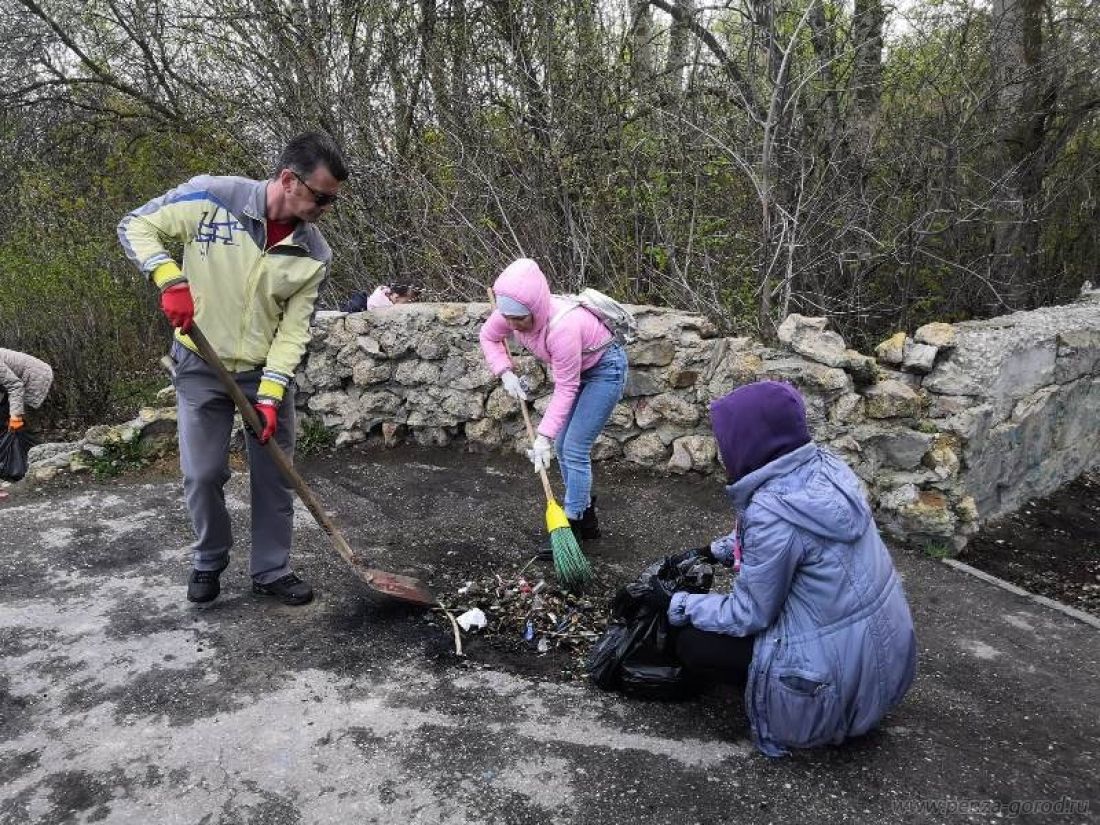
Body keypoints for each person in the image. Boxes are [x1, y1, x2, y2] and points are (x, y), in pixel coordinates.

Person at [117, 132, 348, 606]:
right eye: (321, 197)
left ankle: (271, 569)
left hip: (264, 371)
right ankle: (209, 559)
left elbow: (294, 331)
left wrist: (269, 394)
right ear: (289, 180)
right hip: (201, 364)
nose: (326, 209)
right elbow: (135, 225)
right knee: (202, 473)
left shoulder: (313, 253)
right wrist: (168, 277)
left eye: (332, 201)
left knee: (275, 473)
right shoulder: (211, 198)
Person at [657, 380, 917, 757]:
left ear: (748, 439)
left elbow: (749, 614)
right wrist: (712, 551)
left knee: (693, 642)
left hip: (829, 690)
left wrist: (675, 603)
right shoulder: (827, 469)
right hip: (881, 667)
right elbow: (789, 544)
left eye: (725, 439)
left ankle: (785, 705)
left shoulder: (770, 511)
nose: (721, 451)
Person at [480, 258, 629, 552]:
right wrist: (505, 372)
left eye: (519, 319)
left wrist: (543, 437)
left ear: (535, 308)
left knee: (572, 448)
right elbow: (488, 336)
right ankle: (587, 521)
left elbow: (566, 387)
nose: (512, 325)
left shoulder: (562, 326)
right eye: (507, 317)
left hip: (604, 371)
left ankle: (571, 527)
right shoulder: (511, 311)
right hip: (579, 369)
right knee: (563, 448)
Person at [0, 348, 53, 432]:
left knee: (23, 421)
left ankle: (32, 440)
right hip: (16, 381)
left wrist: (15, 417)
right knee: (3, 415)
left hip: (36, 377)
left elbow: (15, 387)